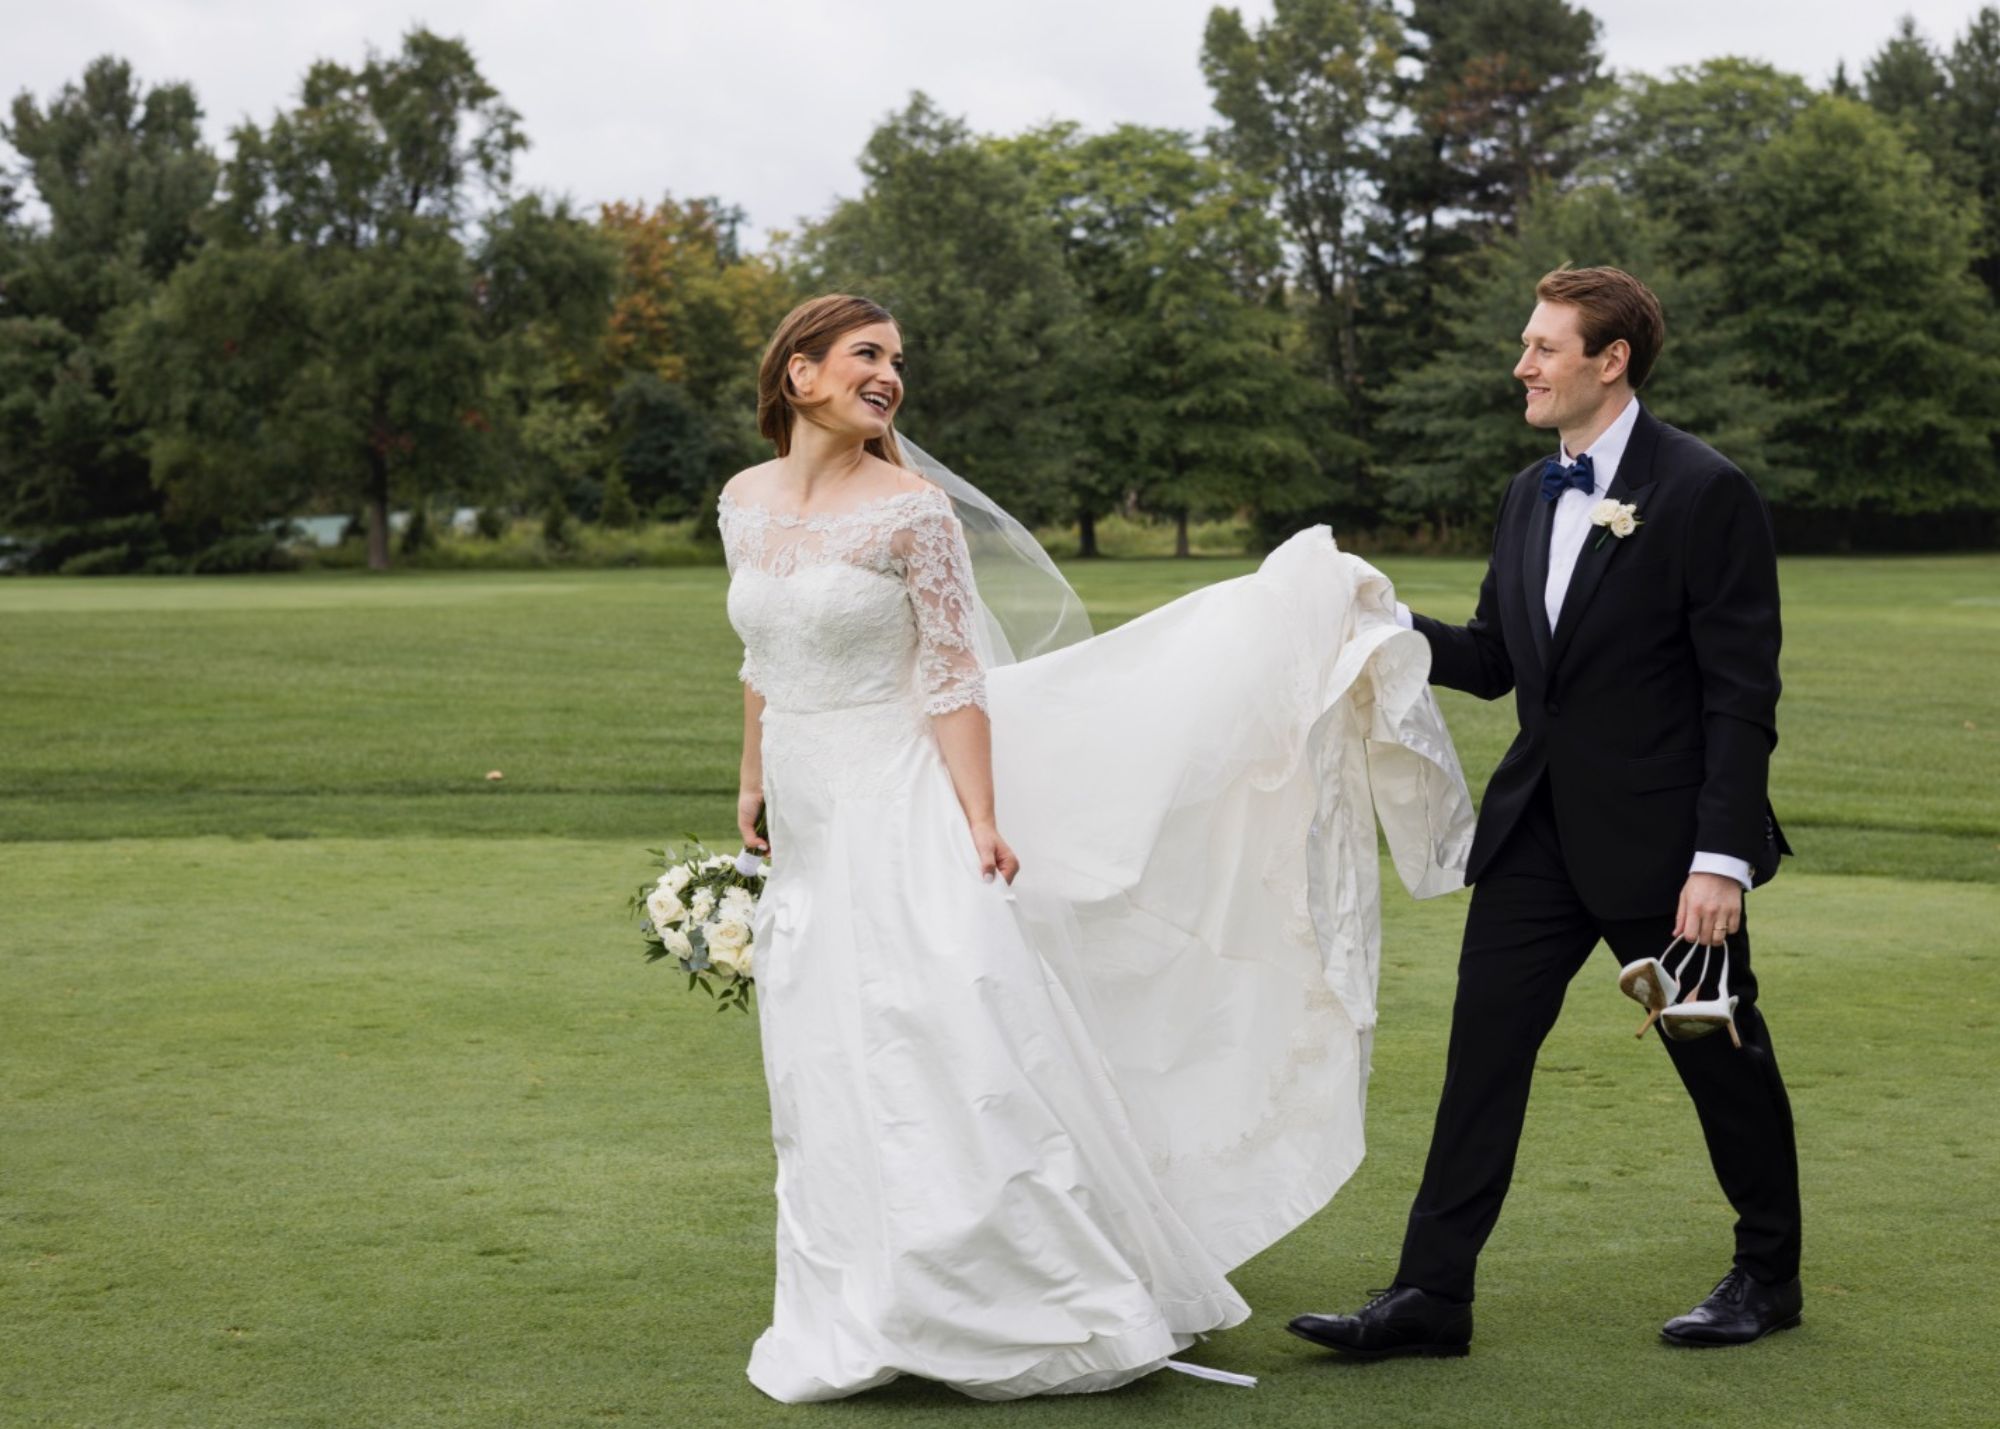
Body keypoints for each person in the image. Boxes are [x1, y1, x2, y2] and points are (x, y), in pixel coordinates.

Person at [717, 294, 1473, 1401]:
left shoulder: (913, 511)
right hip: (808, 803)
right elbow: (759, 653)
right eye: (866, 355)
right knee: (822, 1048)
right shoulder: (742, 502)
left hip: (899, 793)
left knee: (936, 1033)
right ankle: (860, 1300)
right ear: (800, 375)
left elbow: (950, 675)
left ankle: (1006, 1301)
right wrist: (750, 773)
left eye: (897, 359)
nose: (890, 376)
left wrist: (976, 817)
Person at [1288, 266, 1801, 1359]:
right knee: (1481, 1055)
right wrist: (1373, 616)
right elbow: (1492, 659)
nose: (1519, 364)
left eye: (1540, 346)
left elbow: (1737, 694)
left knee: (1716, 1050)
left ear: (1606, 360)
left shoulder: (1705, 491)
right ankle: (1430, 1296)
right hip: (1534, 836)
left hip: (1668, 853)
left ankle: (1767, 1274)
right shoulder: (1530, 491)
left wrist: (1718, 859)